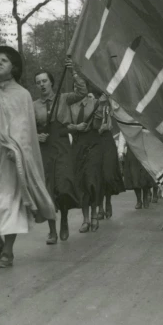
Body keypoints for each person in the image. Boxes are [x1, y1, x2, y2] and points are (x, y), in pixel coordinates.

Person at [0, 46, 55, 268]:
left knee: (9, 201)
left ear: (13, 67)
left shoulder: (23, 95)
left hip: (11, 153)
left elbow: (25, 128)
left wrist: (15, 149)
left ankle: (7, 250)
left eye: (4, 60)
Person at [33, 61, 86, 244]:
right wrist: (36, 136)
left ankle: (63, 220)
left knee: (63, 186)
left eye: (44, 81)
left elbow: (82, 92)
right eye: (38, 82)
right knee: (48, 189)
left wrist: (72, 71)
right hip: (45, 149)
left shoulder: (63, 98)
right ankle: (52, 230)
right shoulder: (33, 105)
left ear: (51, 82)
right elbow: (27, 127)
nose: (42, 84)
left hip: (62, 146)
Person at [68, 93, 102, 232]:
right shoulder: (70, 106)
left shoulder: (96, 103)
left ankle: (94, 215)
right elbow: (64, 125)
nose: (77, 86)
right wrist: (76, 127)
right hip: (78, 146)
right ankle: (85, 219)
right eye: (75, 83)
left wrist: (97, 118)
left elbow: (97, 126)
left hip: (93, 145)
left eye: (80, 82)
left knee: (91, 180)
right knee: (81, 182)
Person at [118, 132, 155, 209]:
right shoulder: (127, 120)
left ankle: (145, 198)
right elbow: (123, 134)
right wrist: (120, 151)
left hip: (144, 149)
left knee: (145, 175)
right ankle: (139, 200)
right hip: (132, 150)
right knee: (134, 175)